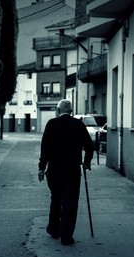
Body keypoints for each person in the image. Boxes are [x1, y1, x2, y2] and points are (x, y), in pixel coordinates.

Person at [38, 99, 94, 245]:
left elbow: (45, 148)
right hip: (72, 171)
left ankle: (54, 229)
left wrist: (41, 168)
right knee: (70, 202)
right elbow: (89, 145)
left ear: (58, 111)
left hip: (54, 171)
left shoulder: (51, 124)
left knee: (56, 199)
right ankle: (66, 236)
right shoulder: (78, 125)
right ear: (71, 111)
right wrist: (87, 162)